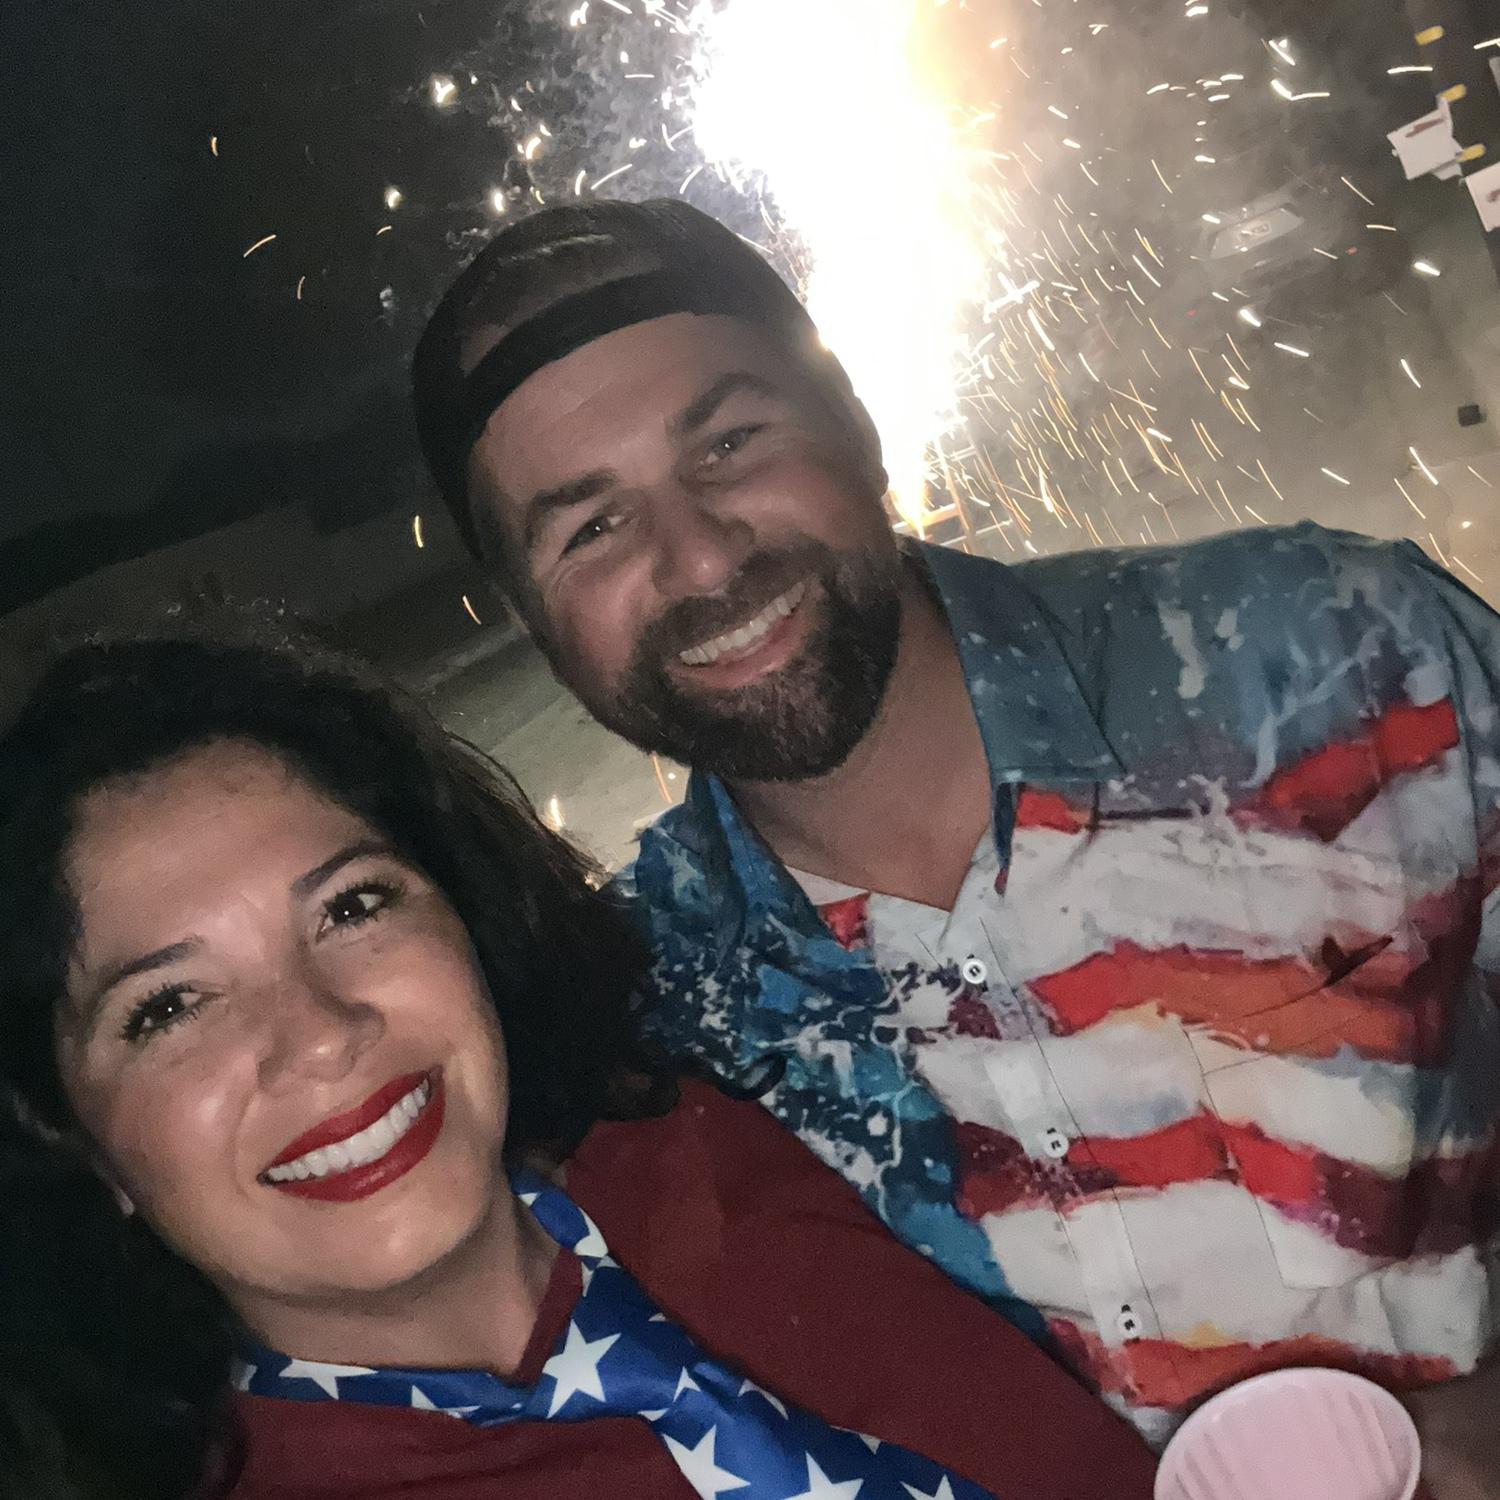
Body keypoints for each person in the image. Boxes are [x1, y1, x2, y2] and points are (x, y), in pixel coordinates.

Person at [412, 196, 1500, 1493]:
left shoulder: (1333, 657)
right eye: (590, 526)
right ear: (533, 618)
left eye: (729, 442)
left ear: (854, 420)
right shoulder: (643, 1028)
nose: (698, 558)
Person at [0, 625, 1154, 1500]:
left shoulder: (691, 1140)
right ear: (67, 1128)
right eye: (169, 1007)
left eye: (352, 905)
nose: (318, 1031)